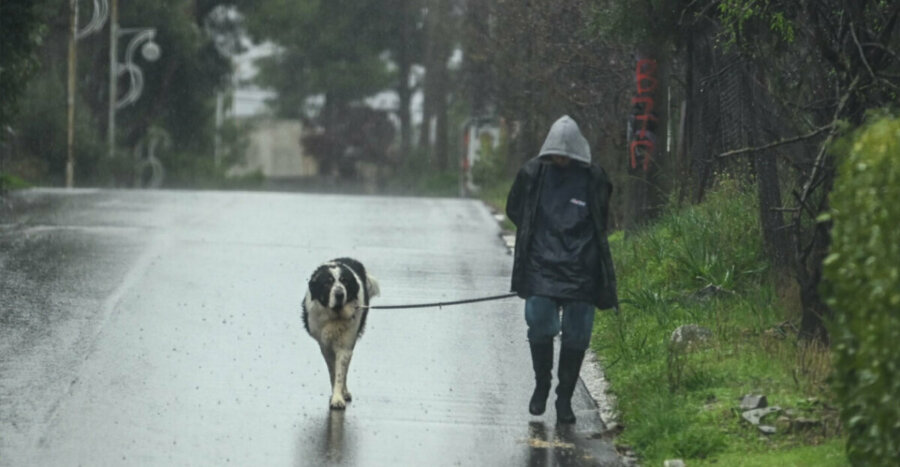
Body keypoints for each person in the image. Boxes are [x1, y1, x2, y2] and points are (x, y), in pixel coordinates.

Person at [505, 115, 618, 424]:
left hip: (582, 267)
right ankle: (541, 385)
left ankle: (564, 398)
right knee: (539, 323)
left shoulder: (594, 178)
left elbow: (600, 217)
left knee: (577, 335)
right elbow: (515, 208)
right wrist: (539, 236)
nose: (559, 158)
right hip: (542, 264)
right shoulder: (532, 173)